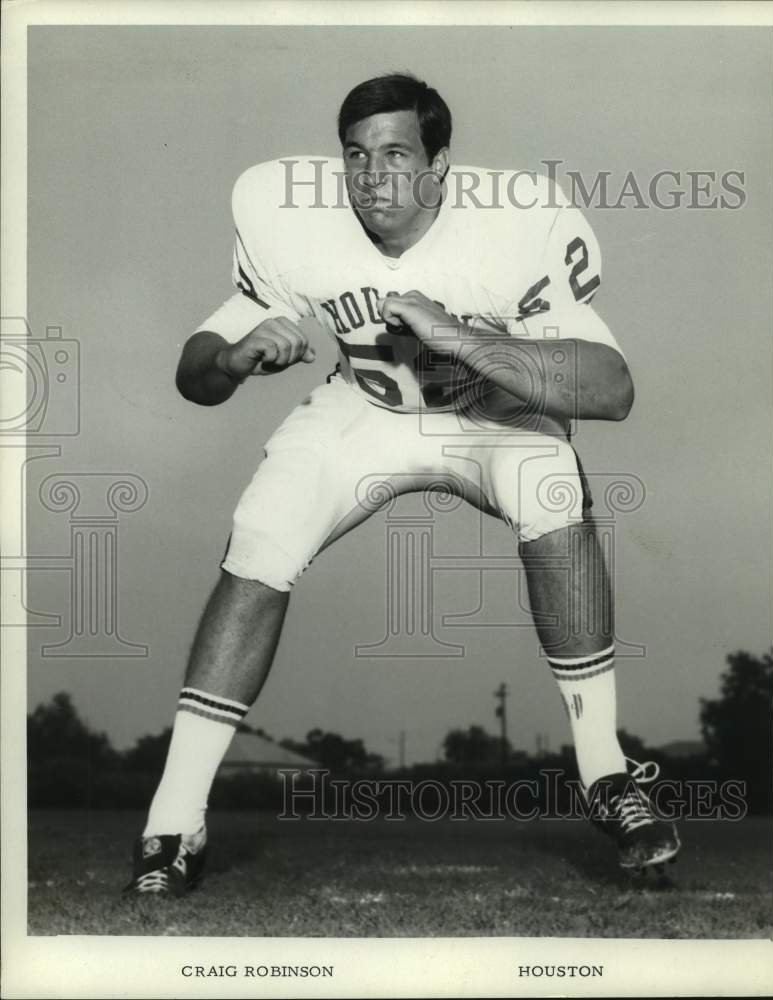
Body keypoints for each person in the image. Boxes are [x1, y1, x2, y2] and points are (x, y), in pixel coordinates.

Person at [124, 73, 680, 897]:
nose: (371, 177)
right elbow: (194, 372)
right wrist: (234, 360)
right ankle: (174, 820)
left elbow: (610, 387)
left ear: (439, 164)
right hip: (367, 409)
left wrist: (462, 338)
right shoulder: (289, 218)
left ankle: (604, 773)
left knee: (553, 489)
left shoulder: (516, 222)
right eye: (355, 156)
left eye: (394, 154)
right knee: (261, 531)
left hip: (490, 419)